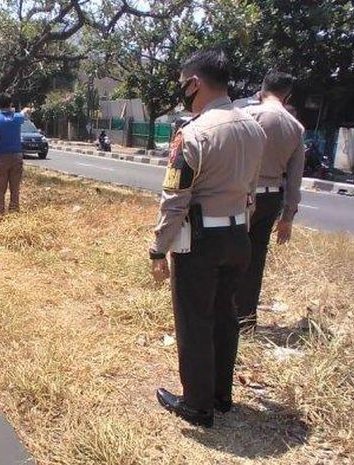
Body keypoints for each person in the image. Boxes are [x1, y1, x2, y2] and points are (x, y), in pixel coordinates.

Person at [149, 50, 266, 427]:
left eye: (183, 84)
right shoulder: (253, 128)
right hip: (238, 235)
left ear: (194, 83)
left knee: (195, 320)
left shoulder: (193, 132)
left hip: (201, 241)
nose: (183, 91)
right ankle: (221, 395)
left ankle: (197, 405)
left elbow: (175, 197)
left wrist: (158, 248)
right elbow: (251, 188)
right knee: (224, 316)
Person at [235, 72, 305, 330]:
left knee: (230, 254)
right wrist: (287, 217)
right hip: (271, 199)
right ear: (288, 96)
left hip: (242, 196)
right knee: (255, 259)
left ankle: (223, 315)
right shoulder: (296, 127)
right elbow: (295, 179)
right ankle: (246, 320)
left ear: (261, 90)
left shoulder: (248, 116)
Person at [0, 93, 32, 215]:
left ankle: (0, 213)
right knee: (15, 188)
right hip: (17, 156)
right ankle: (14, 213)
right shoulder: (17, 118)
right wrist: (25, 109)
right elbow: (26, 113)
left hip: (2, 157)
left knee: (0, 189)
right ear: (11, 104)